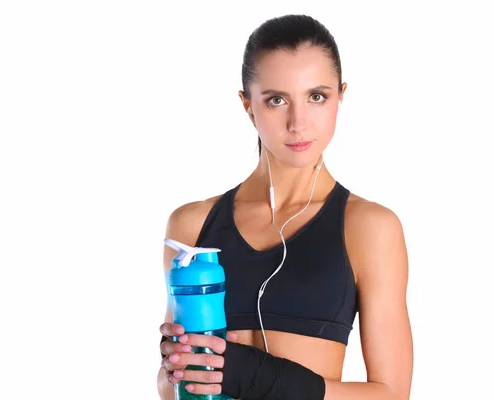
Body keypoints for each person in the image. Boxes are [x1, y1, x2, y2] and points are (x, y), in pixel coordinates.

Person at [157, 14, 413, 400]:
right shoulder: (192, 227)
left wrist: (266, 379)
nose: (298, 122)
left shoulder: (368, 227)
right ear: (247, 105)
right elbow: (169, 387)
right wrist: (173, 369)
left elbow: (392, 394)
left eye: (317, 96)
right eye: (276, 100)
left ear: (340, 96)